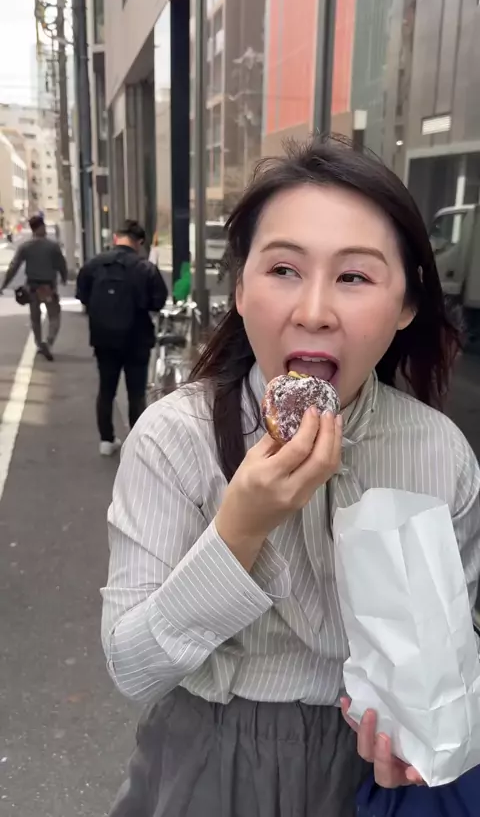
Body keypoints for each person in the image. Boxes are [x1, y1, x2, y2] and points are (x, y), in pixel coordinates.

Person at [101, 137, 480, 816]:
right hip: (211, 758)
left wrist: (431, 724)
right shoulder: (174, 438)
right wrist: (239, 530)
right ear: (241, 290)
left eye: (354, 277)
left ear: (406, 305)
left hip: (371, 770)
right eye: (283, 269)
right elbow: (133, 667)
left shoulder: (440, 453)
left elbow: (455, 641)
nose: (313, 311)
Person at [76, 219, 168, 457]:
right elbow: (158, 301)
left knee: (106, 390)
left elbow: (82, 295)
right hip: (137, 340)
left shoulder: (93, 265)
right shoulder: (145, 268)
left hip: (103, 338)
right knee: (136, 393)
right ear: (139, 242)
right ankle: (136, 445)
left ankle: (106, 440)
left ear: (116, 237)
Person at [0, 214, 67, 361]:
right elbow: (61, 264)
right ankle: (48, 342)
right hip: (49, 287)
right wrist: (64, 277)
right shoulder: (53, 246)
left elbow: (14, 267)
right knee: (54, 316)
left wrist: (3, 285)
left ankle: (39, 343)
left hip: (32, 287)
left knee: (35, 318)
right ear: (41, 227)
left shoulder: (26, 247)